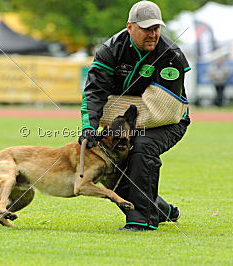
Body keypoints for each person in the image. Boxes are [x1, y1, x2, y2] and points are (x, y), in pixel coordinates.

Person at [79, 0, 191, 232]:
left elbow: (163, 108)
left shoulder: (171, 56)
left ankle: (141, 220)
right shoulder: (110, 50)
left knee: (141, 149)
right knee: (107, 163)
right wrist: (89, 127)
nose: (153, 34)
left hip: (169, 121)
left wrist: (120, 117)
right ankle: (162, 210)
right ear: (130, 27)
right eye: (146, 29)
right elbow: (94, 92)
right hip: (125, 122)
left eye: (156, 28)